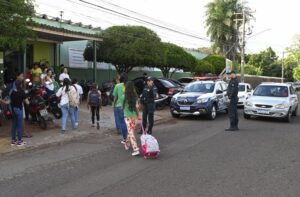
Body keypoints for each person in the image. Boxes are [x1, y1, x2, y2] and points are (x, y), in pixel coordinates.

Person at [10, 80, 30, 146]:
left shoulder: (12, 92)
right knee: (19, 126)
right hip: (19, 110)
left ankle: (13, 141)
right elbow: (27, 102)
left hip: (13, 110)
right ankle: (19, 141)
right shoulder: (22, 92)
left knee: (14, 125)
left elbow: (10, 101)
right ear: (21, 85)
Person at [123, 81, 140, 156]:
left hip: (127, 117)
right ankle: (127, 143)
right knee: (131, 131)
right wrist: (138, 115)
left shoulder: (124, 96)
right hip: (134, 117)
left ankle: (136, 149)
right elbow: (137, 108)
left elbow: (122, 107)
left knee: (131, 132)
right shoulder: (135, 97)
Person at [112, 72, 128, 143]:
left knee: (121, 122)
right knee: (127, 122)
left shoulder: (117, 86)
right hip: (127, 106)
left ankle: (125, 138)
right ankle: (129, 136)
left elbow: (115, 97)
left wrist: (113, 105)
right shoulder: (128, 85)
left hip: (119, 106)